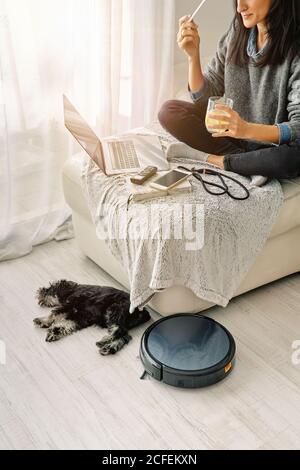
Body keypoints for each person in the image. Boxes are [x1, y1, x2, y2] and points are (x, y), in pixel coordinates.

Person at [158, 0, 300, 179]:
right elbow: (206, 99)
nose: (240, 7)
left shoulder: (295, 47)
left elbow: (298, 127)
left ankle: (218, 160)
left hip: (272, 144)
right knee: (170, 111)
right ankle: (249, 163)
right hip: (235, 137)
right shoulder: (237, 30)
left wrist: (246, 129)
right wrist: (193, 56)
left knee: (294, 157)